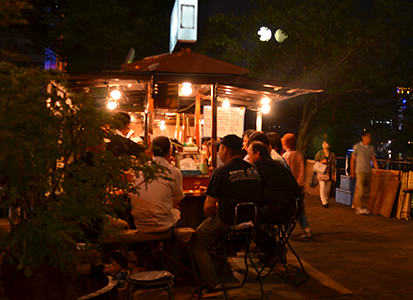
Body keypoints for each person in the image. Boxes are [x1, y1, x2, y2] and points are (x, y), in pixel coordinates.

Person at [192, 134, 261, 298]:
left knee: (196, 240)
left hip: (227, 221)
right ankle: (219, 264)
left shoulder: (221, 171)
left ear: (225, 150)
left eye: (219, 149)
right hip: (250, 222)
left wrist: (211, 216)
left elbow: (208, 207)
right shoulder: (253, 168)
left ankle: (212, 284)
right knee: (212, 235)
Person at [130, 136, 185, 275]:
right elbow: (177, 200)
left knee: (169, 213)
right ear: (169, 152)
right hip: (162, 226)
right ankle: (171, 272)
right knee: (174, 218)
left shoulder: (140, 170)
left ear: (151, 151)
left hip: (140, 225)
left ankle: (151, 265)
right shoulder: (173, 171)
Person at [247, 141, 301, 261]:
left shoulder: (259, 166)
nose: (248, 158)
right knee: (253, 216)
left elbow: (255, 189)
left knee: (246, 221)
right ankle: (269, 248)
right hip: (292, 207)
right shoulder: (273, 163)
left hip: (282, 209)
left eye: (249, 154)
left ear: (257, 153)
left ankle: (273, 249)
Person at [281, 133, 312, 238]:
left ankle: (287, 231)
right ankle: (306, 229)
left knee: (287, 209)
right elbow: (302, 171)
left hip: (289, 187)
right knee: (299, 208)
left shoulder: (286, 156)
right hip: (299, 186)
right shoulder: (299, 154)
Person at [350, 131, 379, 215]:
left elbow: (373, 159)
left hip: (368, 171)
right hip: (359, 170)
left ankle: (364, 207)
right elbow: (353, 159)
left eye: (370, 137)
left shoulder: (371, 148)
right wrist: (352, 171)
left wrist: (376, 168)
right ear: (363, 137)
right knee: (361, 189)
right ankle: (359, 207)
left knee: (367, 190)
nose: (369, 138)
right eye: (367, 137)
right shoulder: (357, 147)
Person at [314, 140, 336, 208]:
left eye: (326, 143)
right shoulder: (319, 153)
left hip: (329, 172)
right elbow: (316, 161)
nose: (324, 144)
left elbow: (333, 164)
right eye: (323, 143)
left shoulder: (332, 154)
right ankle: (324, 202)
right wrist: (322, 162)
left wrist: (333, 174)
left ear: (329, 145)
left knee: (328, 188)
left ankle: (325, 199)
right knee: (322, 186)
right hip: (321, 172)